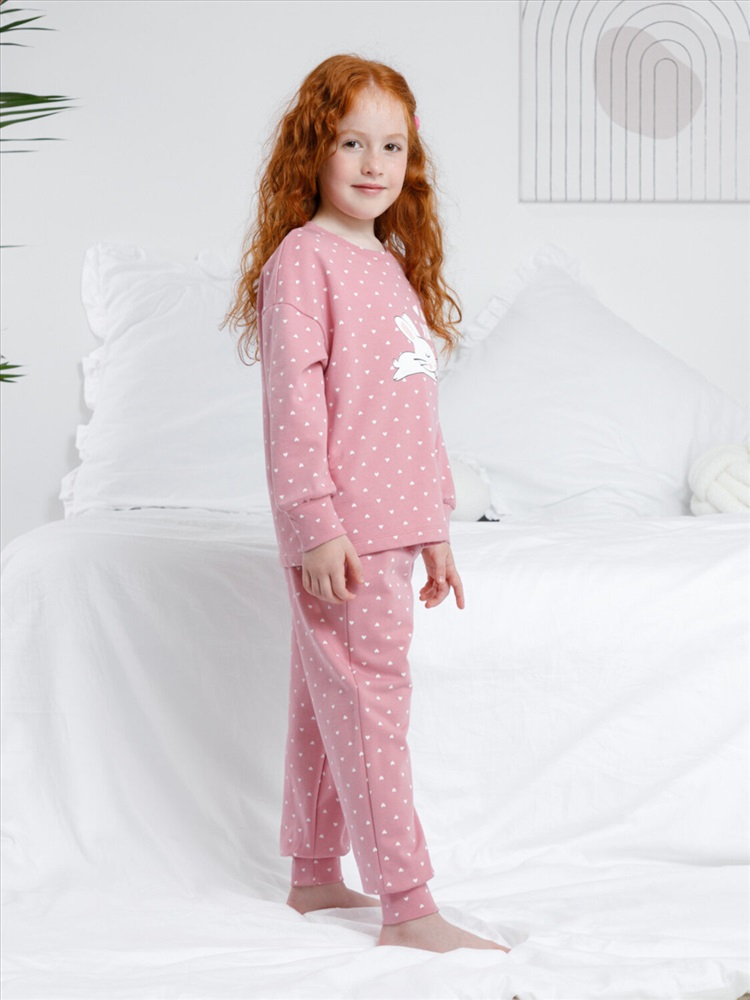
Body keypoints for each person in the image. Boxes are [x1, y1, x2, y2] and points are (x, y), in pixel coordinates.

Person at [223, 54, 508, 954]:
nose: (373, 163)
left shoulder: (387, 265)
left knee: (328, 697)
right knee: (372, 701)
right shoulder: (304, 262)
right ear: (313, 150)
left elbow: (411, 409)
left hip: (394, 525)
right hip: (344, 530)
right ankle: (408, 905)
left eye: (391, 146)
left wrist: (436, 526)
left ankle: (314, 875)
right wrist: (314, 522)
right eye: (351, 143)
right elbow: (294, 406)